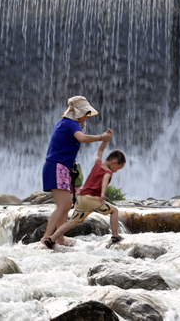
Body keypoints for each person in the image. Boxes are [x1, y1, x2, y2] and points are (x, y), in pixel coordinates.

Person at [41, 96, 113, 246]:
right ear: (77, 112)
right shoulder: (71, 124)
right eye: (85, 113)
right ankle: (46, 238)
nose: (86, 117)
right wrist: (101, 137)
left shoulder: (63, 123)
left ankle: (58, 238)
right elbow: (81, 138)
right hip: (57, 167)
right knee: (64, 205)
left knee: (66, 205)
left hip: (59, 167)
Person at [43, 141, 126, 249]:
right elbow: (105, 180)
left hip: (81, 198)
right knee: (114, 211)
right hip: (92, 199)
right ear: (114, 163)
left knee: (72, 223)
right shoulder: (108, 172)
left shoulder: (97, 163)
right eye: (117, 169)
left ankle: (51, 239)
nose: (115, 171)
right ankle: (115, 236)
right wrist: (102, 194)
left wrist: (105, 140)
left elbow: (100, 150)